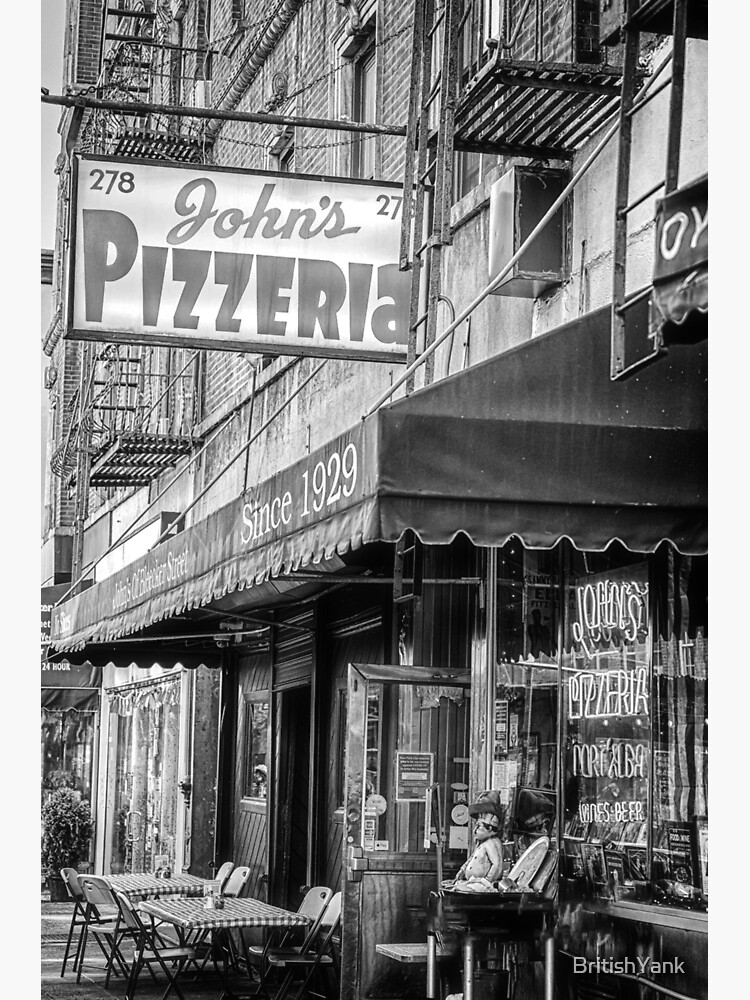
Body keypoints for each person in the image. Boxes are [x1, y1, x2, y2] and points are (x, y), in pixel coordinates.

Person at [452, 790, 505, 884]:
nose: (475, 830)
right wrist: (463, 870)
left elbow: (497, 865)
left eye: (479, 826)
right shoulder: (482, 842)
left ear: (489, 829)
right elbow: (472, 857)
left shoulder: (491, 843)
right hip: (472, 882)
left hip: (481, 885)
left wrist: (487, 882)